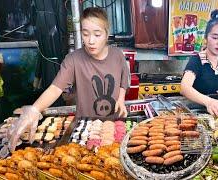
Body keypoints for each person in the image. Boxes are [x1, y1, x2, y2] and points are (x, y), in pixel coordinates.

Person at [8, 7, 130, 151]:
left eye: (97, 34)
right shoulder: (73, 60)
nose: (90, 41)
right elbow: (55, 88)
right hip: (84, 129)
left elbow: (123, 79)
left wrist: (121, 99)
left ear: (106, 33)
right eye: (85, 34)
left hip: (114, 125)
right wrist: (34, 110)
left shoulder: (118, 55)